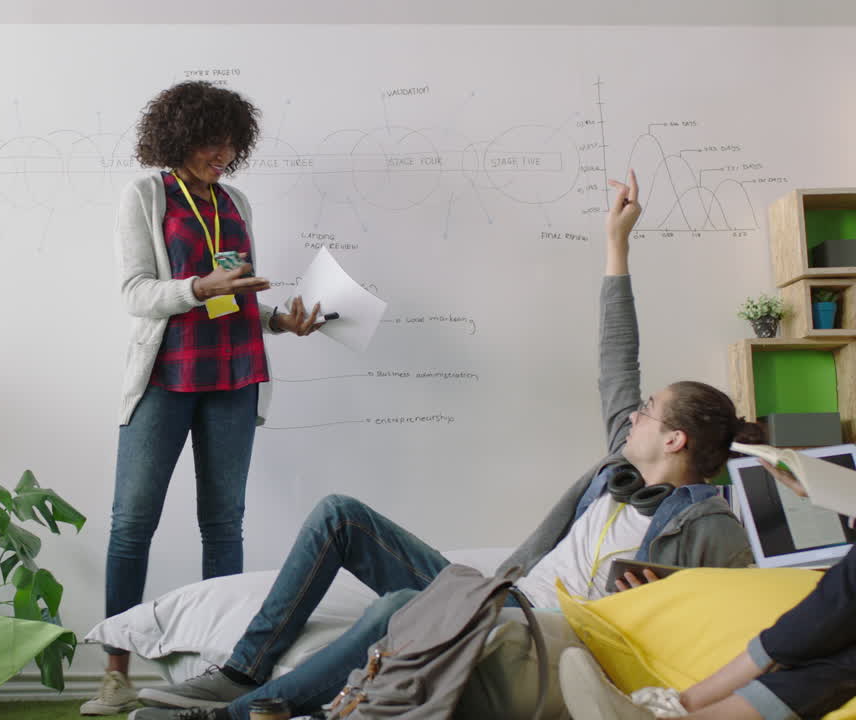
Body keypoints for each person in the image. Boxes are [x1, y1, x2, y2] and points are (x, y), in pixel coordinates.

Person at [128, 171, 765, 720]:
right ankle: (245, 669)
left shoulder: (708, 522)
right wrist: (615, 245)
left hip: (537, 628)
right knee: (338, 515)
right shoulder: (620, 467)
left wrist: (661, 597)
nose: (633, 416)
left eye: (648, 413)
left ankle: (237, 715)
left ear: (676, 439)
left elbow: (730, 616)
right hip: (497, 592)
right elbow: (616, 357)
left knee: (407, 608)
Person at [84, 81, 323, 716]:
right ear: (179, 138)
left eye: (231, 143)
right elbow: (137, 292)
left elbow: (235, 295)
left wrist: (279, 321)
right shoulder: (146, 195)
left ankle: (219, 667)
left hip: (236, 375)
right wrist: (196, 285)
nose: (223, 153)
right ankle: (115, 674)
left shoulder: (235, 200)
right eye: (211, 142)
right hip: (166, 378)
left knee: (223, 527)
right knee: (133, 524)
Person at [560, 461, 856, 720]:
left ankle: (682, 703)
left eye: (646, 411)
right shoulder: (610, 478)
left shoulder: (703, 517)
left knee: (843, 598)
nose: (635, 417)